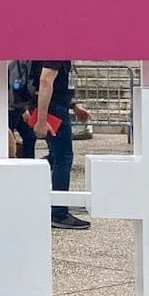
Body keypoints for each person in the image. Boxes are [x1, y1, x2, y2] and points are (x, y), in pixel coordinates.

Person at [17, 60, 93, 230]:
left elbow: (56, 83)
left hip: (56, 106)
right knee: (63, 158)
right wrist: (42, 120)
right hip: (53, 109)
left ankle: (32, 184)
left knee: (55, 156)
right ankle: (59, 211)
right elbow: (45, 81)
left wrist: (73, 106)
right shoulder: (55, 51)